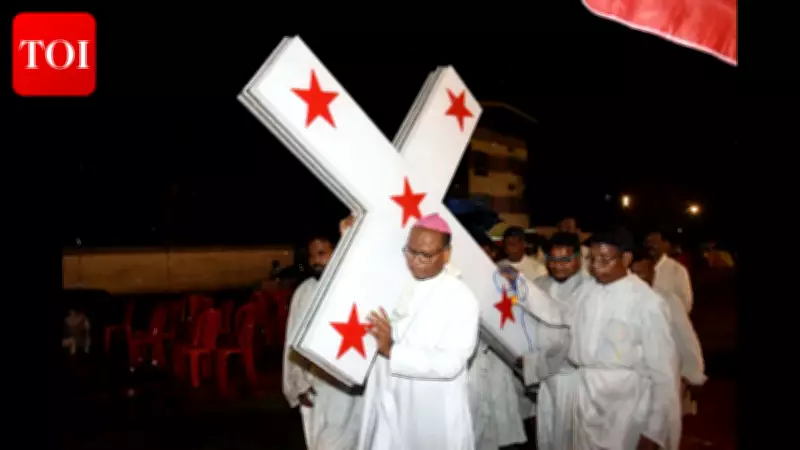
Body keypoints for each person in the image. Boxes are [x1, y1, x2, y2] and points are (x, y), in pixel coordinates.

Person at [357, 213, 480, 450]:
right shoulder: (400, 282)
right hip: (390, 398)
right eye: (410, 252)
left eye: (425, 255)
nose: (415, 261)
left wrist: (393, 351)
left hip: (432, 411)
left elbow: (451, 362)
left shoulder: (461, 298)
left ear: (446, 254)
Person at [564, 228, 681, 450]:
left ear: (626, 259)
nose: (596, 266)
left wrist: (654, 430)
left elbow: (663, 370)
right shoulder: (585, 292)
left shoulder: (646, 301)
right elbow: (557, 318)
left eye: (604, 259)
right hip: (586, 395)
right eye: (592, 259)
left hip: (625, 403)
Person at [283, 233, 362, 450]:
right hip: (315, 385)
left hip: (350, 387)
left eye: (321, 253)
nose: (315, 261)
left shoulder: (355, 287)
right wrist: (298, 384)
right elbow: (292, 342)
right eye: (312, 256)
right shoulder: (304, 291)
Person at [467, 229, 528, 450]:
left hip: (498, 357)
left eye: (484, 251)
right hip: (472, 358)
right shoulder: (459, 278)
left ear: (491, 252)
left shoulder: (504, 276)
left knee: (501, 417)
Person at [630, 250, 706, 416]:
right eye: (634, 274)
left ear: (653, 272)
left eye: (643, 274)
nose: (639, 280)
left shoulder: (668, 301)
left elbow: (686, 339)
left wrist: (695, 375)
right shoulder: (620, 300)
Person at [530, 232, 587, 450]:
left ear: (579, 258)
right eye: (552, 260)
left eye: (565, 260)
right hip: (545, 376)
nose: (558, 266)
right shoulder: (538, 285)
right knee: (547, 436)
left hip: (574, 379)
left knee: (571, 438)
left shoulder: (589, 289)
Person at [499, 226, 547, 421]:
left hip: (530, 327)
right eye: (507, 244)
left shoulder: (538, 269)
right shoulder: (498, 266)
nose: (510, 248)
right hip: (507, 325)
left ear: (522, 244)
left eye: (514, 244)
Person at [645, 230, 694, 313]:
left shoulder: (677, 270)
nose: (650, 245)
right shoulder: (640, 269)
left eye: (654, 242)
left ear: (666, 245)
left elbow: (686, 304)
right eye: (648, 242)